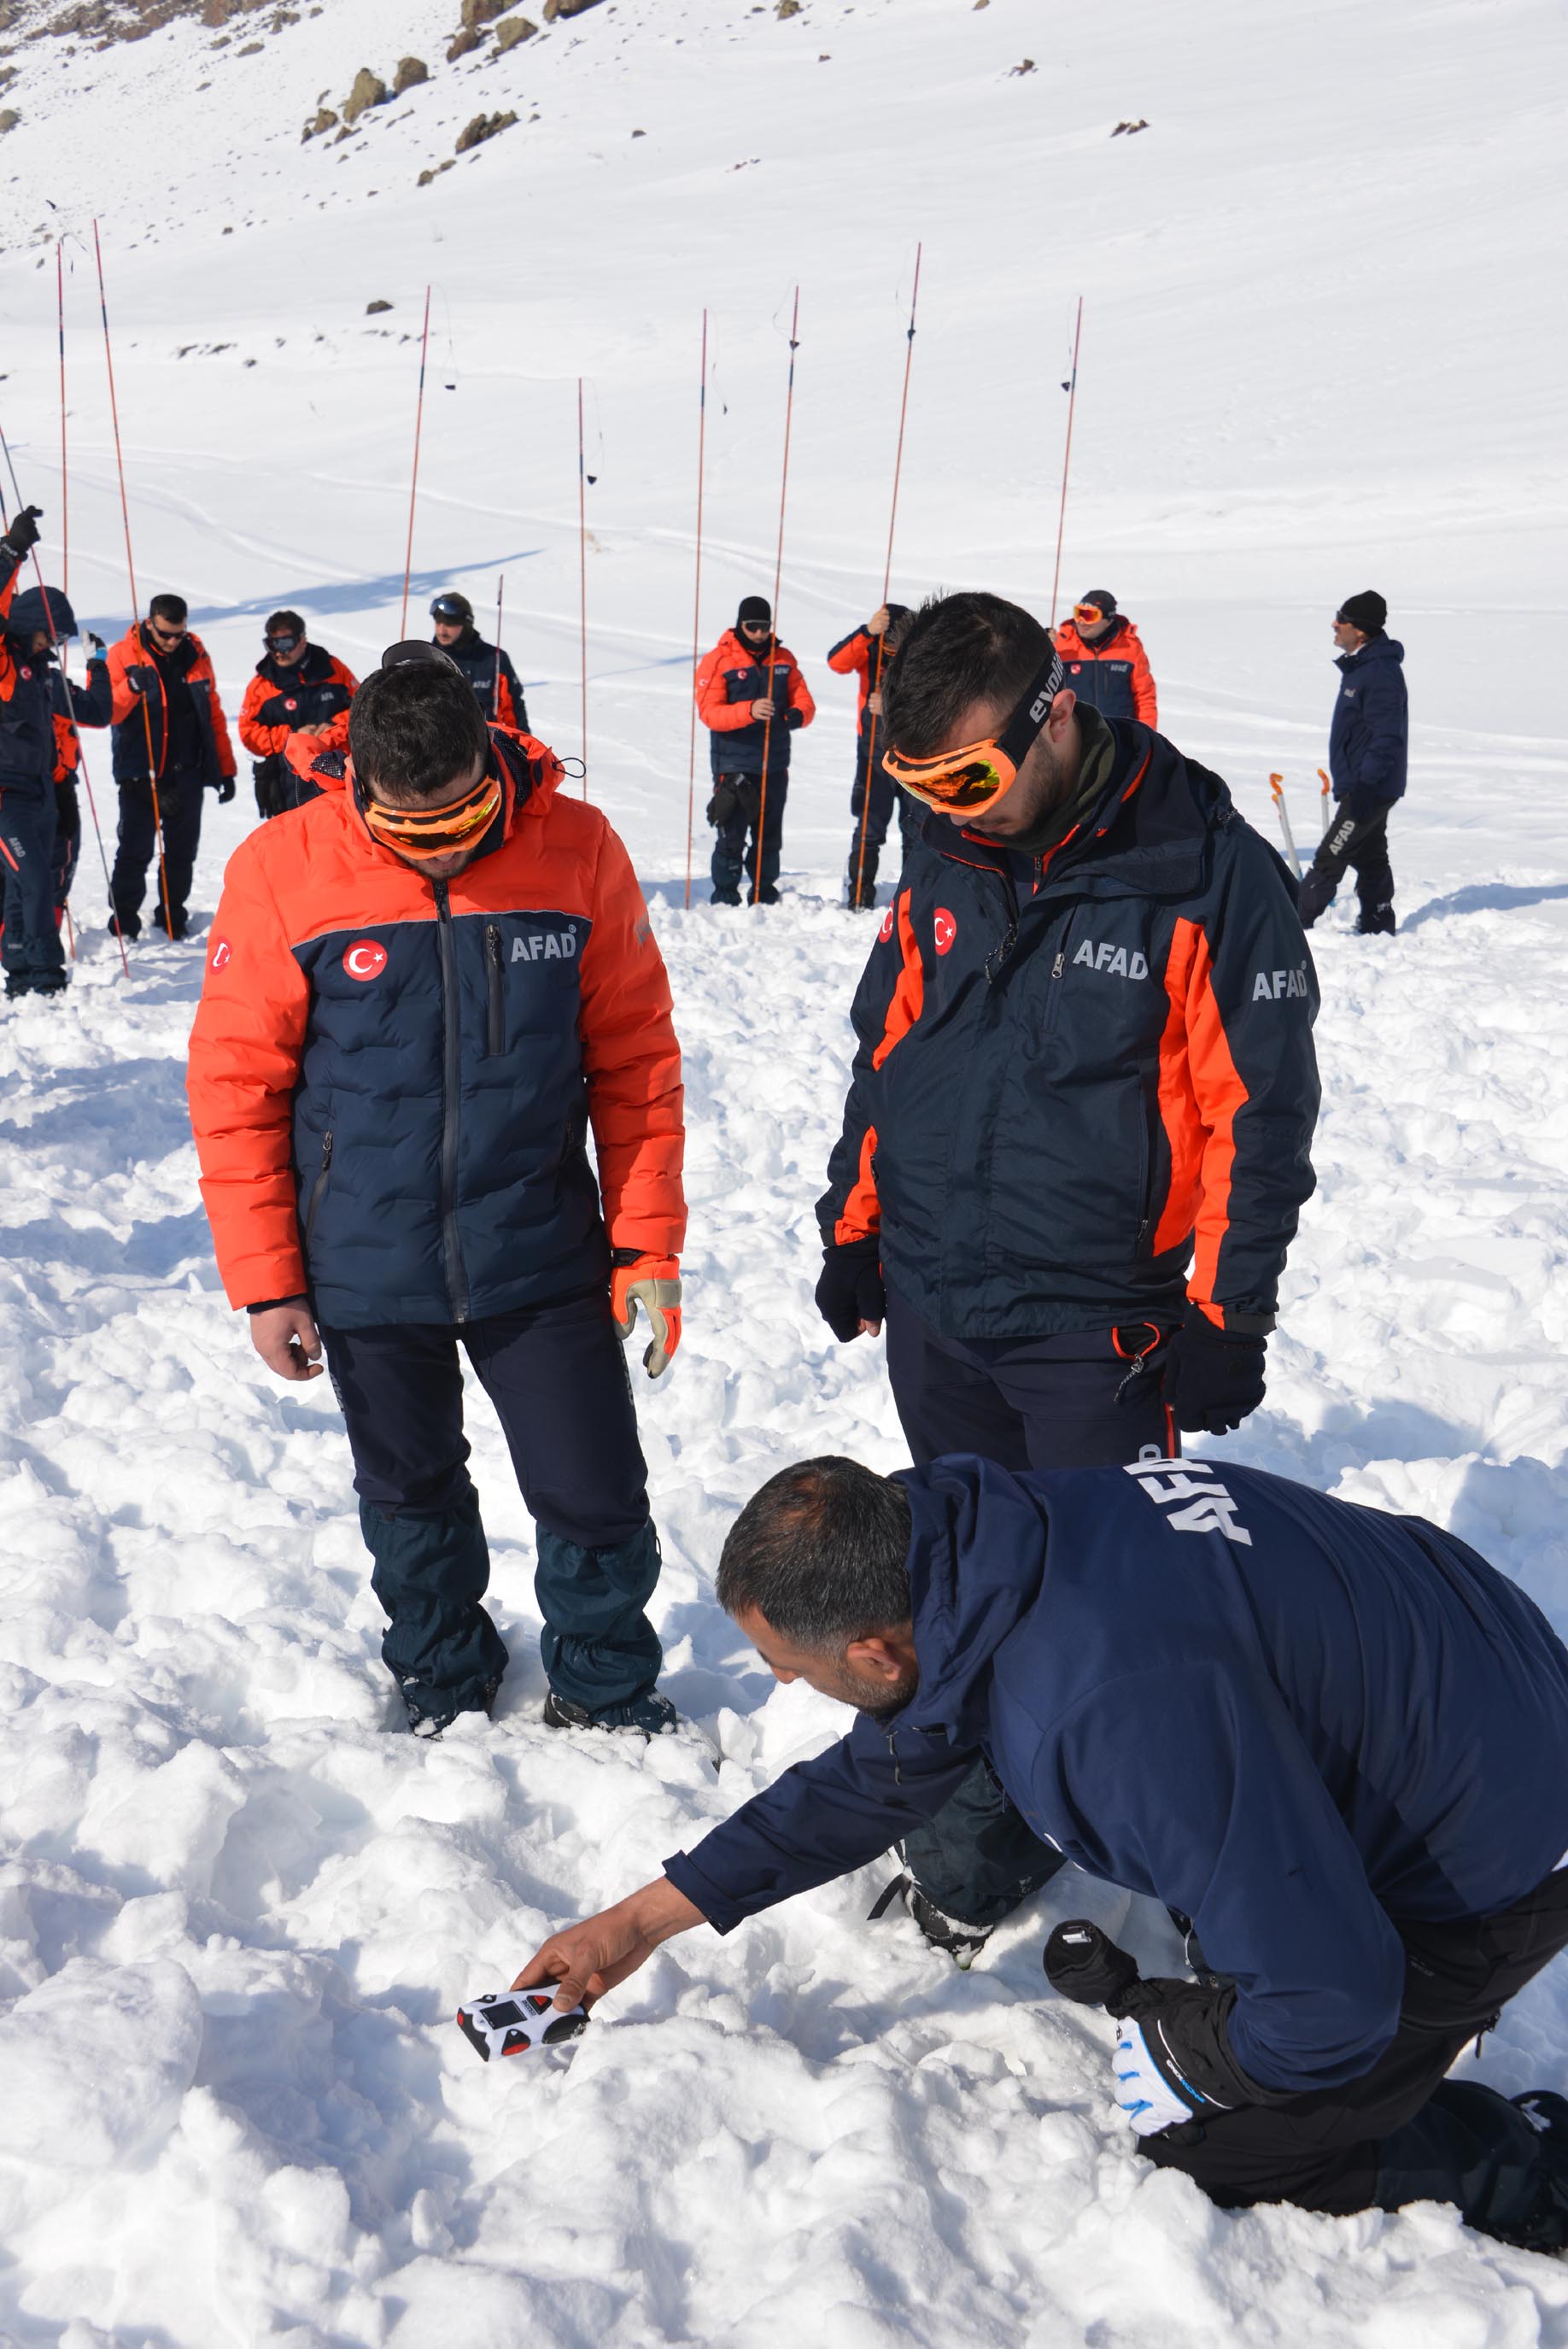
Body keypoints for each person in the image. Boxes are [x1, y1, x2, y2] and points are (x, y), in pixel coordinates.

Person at [512, 1451, 1568, 2253]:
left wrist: (1190, 2043)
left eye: (790, 1665)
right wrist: (636, 1921)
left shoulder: (1097, 1710)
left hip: (1493, 1841)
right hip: (1470, 1649)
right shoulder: (980, 1550)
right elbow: (869, 1783)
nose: (785, 1684)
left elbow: (1334, 1997)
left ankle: (1524, 2167)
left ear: (875, 1651)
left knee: (1230, 2144)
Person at [812, 590, 1319, 1952]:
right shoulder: (948, 849)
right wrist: (855, 1216)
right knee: (961, 1581)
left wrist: (1225, 1313)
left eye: (969, 777)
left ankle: (1211, 1871)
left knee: (1114, 1609)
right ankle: (980, 1839)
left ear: (1057, 715)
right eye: (916, 785)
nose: (949, 808)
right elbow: (892, 1042)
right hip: (936, 1295)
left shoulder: (1206, 870)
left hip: (1097, 1325)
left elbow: (1255, 1121)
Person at [186, 642, 687, 1739]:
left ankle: (604, 1687)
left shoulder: (577, 845)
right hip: (365, 1257)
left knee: (594, 1487)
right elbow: (236, 1087)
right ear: (355, 781)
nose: (444, 845)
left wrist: (646, 1246)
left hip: (541, 1245)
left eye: (463, 817)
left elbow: (636, 1059)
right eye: (410, 830)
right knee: (409, 1493)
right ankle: (443, 1673)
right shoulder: (283, 867)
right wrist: (268, 1281)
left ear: (492, 756)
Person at [0, 505, 112, 998]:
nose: (54, 643)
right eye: (51, 633)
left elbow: (99, 711)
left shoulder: (45, 676)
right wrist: (11, 551)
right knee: (36, 885)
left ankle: (21, 971)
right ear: (29, 626)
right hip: (6, 795)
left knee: (23, 887)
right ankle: (46, 975)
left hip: (42, 793)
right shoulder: (5, 665)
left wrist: (99, 664)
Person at [106, 591, 237, 941]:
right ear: (150, 623)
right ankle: (123, 922)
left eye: (179, 634)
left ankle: (172, 915)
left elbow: (213, 714)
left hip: (187, 771)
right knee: (135, 849)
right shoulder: (123, 655)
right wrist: (132, 687)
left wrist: (225, 768)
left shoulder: (196, 654)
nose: (172, 642)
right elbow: (108, 711)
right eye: (165, 634)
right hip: (140, 772)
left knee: (182, 852)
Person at [1298, 591, 1406, 938]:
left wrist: (1364, 786)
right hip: (1364, 784)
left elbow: (1387, 738)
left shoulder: (1379, 673)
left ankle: (1291, 927)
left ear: (1360, 631)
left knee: (1331, 855)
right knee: (1370, 855)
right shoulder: (1363, 667)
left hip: (1369, 788)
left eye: (1341, 619)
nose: (1334, 624)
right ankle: (1378, 922)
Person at [696, 595, 816, 905]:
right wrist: (749, 710)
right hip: (733, 764)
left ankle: (765, 897)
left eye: (765, 627)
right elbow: (710, 713)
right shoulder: (718, 661)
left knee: (768, 838)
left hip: (774, 766)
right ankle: (724, 899)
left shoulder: (784, 659)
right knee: (731, 836)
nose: (760, 634)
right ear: (740, 625)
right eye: (753, 627)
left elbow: (805, 703)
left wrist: (795, 716)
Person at [827, 602, 919, 908]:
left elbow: (935, 701)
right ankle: (859, 895)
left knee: (916, 830)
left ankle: (914, 897)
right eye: (889, 639)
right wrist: (866, 631)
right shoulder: (869, 647)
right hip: (872, 753)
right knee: (869, 827)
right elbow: (836, 662)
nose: (892, 647)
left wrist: (890, 708)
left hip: (913, 752)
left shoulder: (920, 654)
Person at [238, 612, 359, 818]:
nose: (278, 652)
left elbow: (362, 708)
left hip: (334, 772)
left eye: (284, 644)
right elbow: (249, 735)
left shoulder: (332, 669)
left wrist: (333, 727)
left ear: (302, 640)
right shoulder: (263, 685)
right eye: (272, 644)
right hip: (286, 781)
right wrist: (292, 735)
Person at [1050, 590, 1157, 726]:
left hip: (1119, 735)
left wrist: (1147, 739)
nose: (1081, 622)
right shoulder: (1061, 645)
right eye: (1079, 613)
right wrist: (1042, 643)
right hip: (1074, 735)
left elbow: (1145, 698)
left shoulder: (1130, 647)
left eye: (1089, 616)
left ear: (1108, 620)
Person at [430, 591, 528, 731]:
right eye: (438, 623)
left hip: (485, 744)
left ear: (466, 625)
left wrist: (522, 748)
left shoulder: (495, 659)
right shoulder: (429, 658)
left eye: (450, 625)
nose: (442, 630)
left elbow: (512, 711)